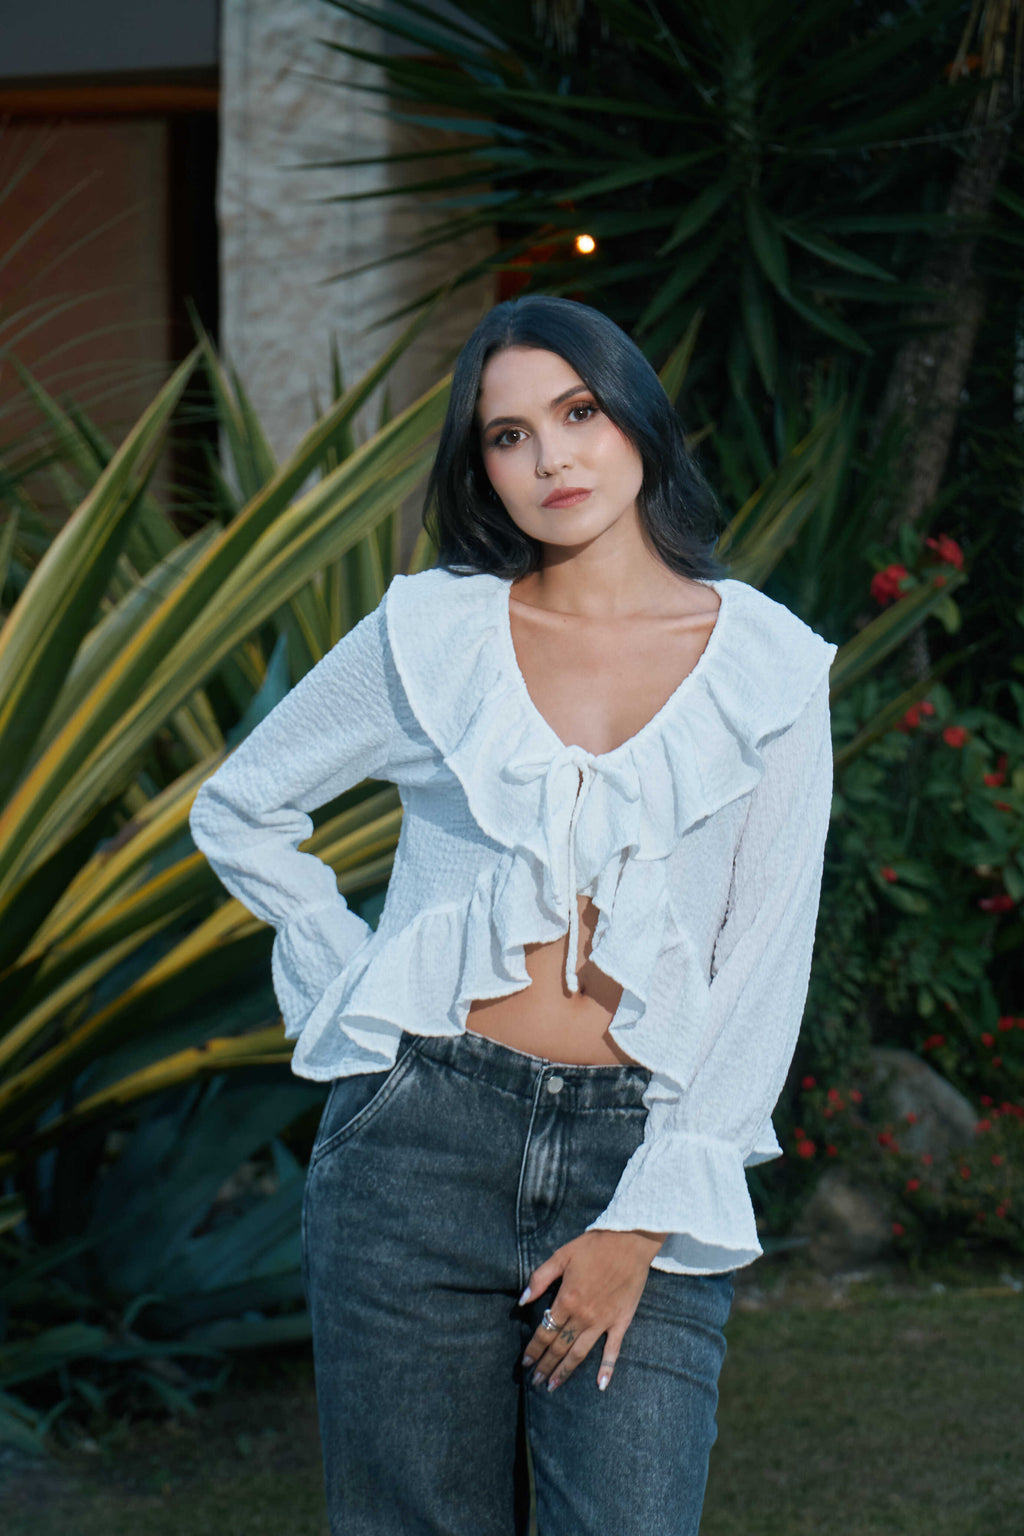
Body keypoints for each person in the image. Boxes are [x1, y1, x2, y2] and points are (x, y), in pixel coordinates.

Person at [188, 294, 837, 1535]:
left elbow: (762, 957)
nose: (551, 458)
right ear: (479, 467)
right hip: (417, 1145)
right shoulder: (433, 636)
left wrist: (640, 1222)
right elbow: (243, 806)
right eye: (507, 435)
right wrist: (356, 987)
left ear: (636, 419)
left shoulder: (767, 664)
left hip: (635, 1151)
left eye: (578, 413)